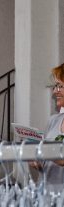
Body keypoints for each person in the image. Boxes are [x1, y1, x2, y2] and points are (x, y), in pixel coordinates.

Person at [30, 63, 64, 194]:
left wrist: (43, 151)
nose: (55, 91)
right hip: (46, 196)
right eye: (55, 86)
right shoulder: (53, 120)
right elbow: (47, 161)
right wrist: (37, 162)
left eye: (60, 86)